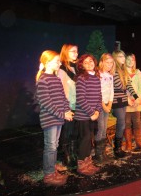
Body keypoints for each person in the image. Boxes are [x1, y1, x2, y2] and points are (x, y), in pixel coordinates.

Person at [35, 50, 73, 186]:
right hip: (50, 119)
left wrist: (67, 109)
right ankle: (49, 175)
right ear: (47, 62)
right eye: (57, 61)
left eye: (59, 61)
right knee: (50, 146)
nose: (59, 63)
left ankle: (52, 168)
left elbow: (62, 98)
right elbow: (47, 104)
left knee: (54, 145)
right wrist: (63, 114)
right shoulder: (43, 80)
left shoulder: (56, 79)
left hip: (58, 118)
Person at [74, 54, 102, 176]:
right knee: (84, 140)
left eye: (91, 61)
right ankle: (82, 166)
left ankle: (88, 162)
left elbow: (99, 96)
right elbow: (80, 98)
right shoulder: (81, 78)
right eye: (86, 62)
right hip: (83, 116)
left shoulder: (96, 78)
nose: (89, 63)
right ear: (81, 66)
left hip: (93, 115)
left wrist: (97, 111)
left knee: (89, 139)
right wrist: (91, 113)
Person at [112, 49, 141, 158]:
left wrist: (136, 97)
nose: (123, 59)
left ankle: (118, 147)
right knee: (122, 123)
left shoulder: (123, 70)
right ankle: (117, 148)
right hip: (117, 100)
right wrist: (127, 97)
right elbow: (120, 86)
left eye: (123, 56)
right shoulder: (114, 70)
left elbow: (128, 85)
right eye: (120, 57)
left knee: (122, 124)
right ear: (115, 58)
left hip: (122, 100)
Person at [58, 44, 78, 167]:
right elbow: (60, 90)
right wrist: (65, 108)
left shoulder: (76, 68)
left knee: (75, 132)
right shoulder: (61, 69)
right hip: (68, 105)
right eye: (73, 51)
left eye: (77, 51)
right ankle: (66, 155)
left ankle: (73, 152)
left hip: (78, 105)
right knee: (67, 131)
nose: (76, 54)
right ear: (65, 52)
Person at [95, 53, 115, 165]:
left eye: (111, 63)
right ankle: (98, 155)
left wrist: (110, 104)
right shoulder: (99, 74)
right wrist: (104, 106)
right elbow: (98, 92)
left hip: (107, 104)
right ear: (102, 62)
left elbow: (111, 91)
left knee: (104, 128)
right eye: (107, 62)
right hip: (100, 105)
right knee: (101, 128)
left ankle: (103, 153)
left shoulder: (110, 75)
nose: (110, 65)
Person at [124, 53, 141, 151]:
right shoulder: (122, 72)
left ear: (134, 61)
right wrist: (127, 99)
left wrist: (139, 99)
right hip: (127, 102)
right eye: (128, 59)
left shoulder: (138, 72)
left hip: (137, 102)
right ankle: (128, 143)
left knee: (137, 122)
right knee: (127, 123)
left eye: (132, 60)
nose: (130, 62)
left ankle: (138, 141)